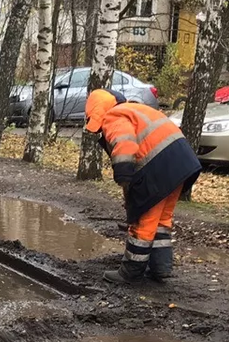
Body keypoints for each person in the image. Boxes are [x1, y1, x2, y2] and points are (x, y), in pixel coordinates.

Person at [84, 89, 201, 284]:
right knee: (161, 221)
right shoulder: (136, 109)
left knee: (143, 222)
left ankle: (130, 272)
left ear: (96, 113)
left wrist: (124, 177)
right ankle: (160, 268)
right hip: (181, 165)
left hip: (159, 168)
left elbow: (124, 143)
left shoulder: (114, 116)